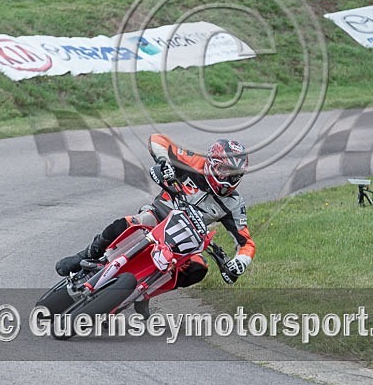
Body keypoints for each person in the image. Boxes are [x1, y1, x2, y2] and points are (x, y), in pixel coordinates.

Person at [55, 135, 256, 315]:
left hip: (186, 242)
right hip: (158, 216)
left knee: (198, 268)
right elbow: (158, 139)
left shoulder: (234, 204)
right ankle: (84, 255)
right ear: (212, 163)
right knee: (127, 224)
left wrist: (240, 262)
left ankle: (145, 294)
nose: (227, 178)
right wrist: (163, 161)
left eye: (234, 174)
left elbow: (246, 243)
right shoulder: (193, 161)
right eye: (223, 170)